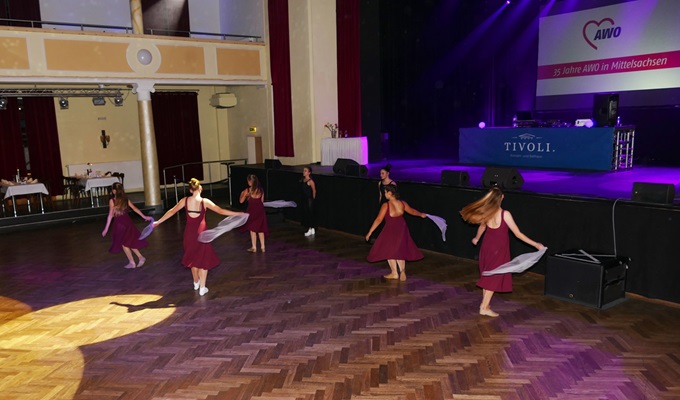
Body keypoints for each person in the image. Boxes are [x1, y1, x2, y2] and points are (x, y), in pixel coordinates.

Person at [460, 186, 544, 317]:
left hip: (487, 247)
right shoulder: (505, 214)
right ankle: (484, 307)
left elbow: (482, 227)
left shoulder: (487, 213)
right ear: (502, 197)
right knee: (493, 277)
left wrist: (476, 238)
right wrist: (536, 244)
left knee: (488, 275)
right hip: (498, 250)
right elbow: (518, 234)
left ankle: (486, 305)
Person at [153, 178, 243, 296]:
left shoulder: (185, 201)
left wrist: (158, 221)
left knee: (193, 258)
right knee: (203, 259)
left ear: (191, 190)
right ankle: (202, 287)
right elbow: (221, 211)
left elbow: (171, 211)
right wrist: (238, 213)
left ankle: (196, 282)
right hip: (202, 234)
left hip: (189, 234)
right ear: (200, 188)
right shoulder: (205, 202)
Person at [365, 184, 426, 281]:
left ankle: (394, 273)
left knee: (389, 249)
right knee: (399, 249)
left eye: (385, 192)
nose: (384, 194)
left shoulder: (386, 205)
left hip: (391, 229)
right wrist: (421, 214)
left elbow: (379, 219)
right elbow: (412, 211)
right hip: (402, 228)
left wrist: (370, 232)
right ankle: (402, 271)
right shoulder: (402, 203)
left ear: (390, 193)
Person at [102, 182, 153, 269]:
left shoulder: (112, 201)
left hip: (120, 224)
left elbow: (110, 215)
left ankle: (132, 262)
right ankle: (140, 257)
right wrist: (144, 216)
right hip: (128, 222)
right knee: (129, 241)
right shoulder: (125, 199)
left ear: (114, 191)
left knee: (124, 243)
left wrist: (106, 229)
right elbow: (135, 209)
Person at [239, 174, 269, 252]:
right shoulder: (261, 190)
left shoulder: (247, 190)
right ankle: (263, 247)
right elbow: (262, 202)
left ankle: (254, 247)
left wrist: (242, 194)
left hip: (252, 211)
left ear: (250, 181)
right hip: (260, 211)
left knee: (252, 229)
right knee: (260, 229)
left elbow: (241, 201)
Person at [300, 166, 317, 236]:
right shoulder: (303, 180)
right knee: (307, 213)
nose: (304, 172)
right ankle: (311, 228)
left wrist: (313, 199)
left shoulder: (310, 181)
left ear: (309, 173)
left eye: (305, 171)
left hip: (309, 199)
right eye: (303, 170)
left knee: (310, 214)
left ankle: (311, 228)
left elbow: (314, 190)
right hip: (305, 199)